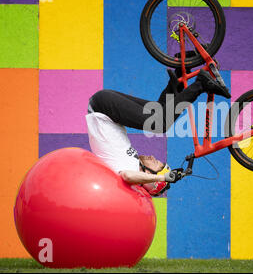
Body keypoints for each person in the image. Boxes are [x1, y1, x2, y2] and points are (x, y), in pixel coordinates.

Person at [86, 56, 230, 197]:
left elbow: (128, 176)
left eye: (157, 164)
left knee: (159, 124)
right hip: (104, 106)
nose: (153, 157)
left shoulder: (127, 171)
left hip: (103, 108)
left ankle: (201, 84)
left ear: (148, 174)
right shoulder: (133, 163)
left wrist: (163, 178)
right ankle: (182, 70)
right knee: (158, 111)